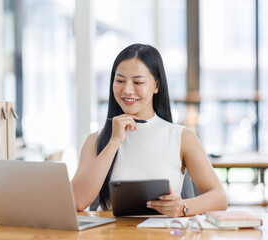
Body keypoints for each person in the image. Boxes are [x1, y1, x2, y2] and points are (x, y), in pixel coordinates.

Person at [71, 43, 228, 217]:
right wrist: (114, 142)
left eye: (138, 82)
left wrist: (183, 206)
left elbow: (219, 198)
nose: (127, 90)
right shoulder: (96, 140)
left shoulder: (181, 137)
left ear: (156, 86)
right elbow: (77, 201)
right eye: (120, 81)